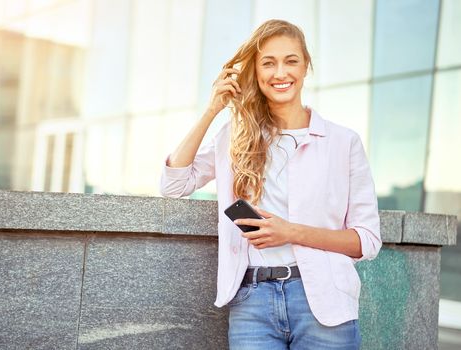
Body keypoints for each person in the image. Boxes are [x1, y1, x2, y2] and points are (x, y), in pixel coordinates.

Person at [160, 19, 381, 349]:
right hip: (253, 303)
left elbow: (367, 240)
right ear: (256, 71)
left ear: (306, 66)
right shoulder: (235, 138)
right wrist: (211, 110)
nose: (281, 73)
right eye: (268, 62)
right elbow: (174, 184)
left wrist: (289, 232)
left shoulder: (343, 142)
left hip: (324, 301)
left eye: (291, 60)